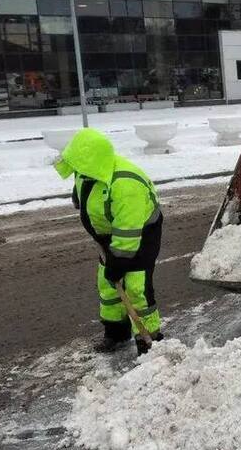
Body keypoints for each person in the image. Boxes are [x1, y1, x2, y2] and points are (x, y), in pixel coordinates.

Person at [54, 127, 164, 355]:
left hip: (139, 233)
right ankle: (116, 333)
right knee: (108, 286)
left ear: (91, 161)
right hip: (108, 234)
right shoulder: (86, 171)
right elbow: (83, 191)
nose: (77, 171)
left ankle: (149, 339)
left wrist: (118, 263)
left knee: (136, 286)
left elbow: (127, 233)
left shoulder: (126, 184)